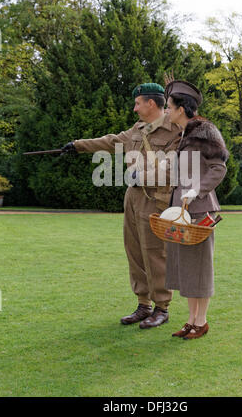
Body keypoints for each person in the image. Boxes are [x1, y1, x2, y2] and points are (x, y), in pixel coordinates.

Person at [62, 83, 180, 328]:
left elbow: (173, 169)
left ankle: (162, 307)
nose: (134, 108)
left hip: (156, 199)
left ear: (151, 103)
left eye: (138, 103)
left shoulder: (174, 132)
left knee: (155, 253)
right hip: (133, 197)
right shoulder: (137, 129)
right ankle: (143, 304)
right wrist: (78, 146)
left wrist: (142, 176)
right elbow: (111, 141)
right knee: (134, 250)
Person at [163, 80, 229, 339]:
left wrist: (197, 190)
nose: (166, 111)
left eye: (169, 106)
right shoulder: (183, 134)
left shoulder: (205, 130)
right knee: (186, 267)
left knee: (199, 267)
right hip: (181, 211)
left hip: (200, 210)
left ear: (181, 108)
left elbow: (219, 168)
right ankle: (191, 320)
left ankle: (201, 322)